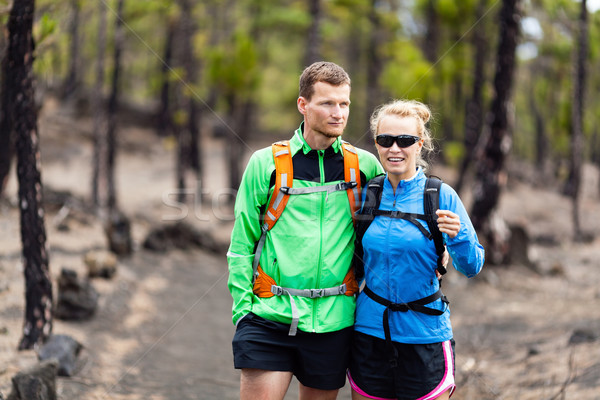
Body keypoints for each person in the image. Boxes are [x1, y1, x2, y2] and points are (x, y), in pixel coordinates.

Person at [227, 61, 384, 400]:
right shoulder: (265, 163)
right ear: (303, 105)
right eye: (327, 103)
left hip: (334, 322)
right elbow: (241, 245)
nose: (338, 113)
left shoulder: (365, 167)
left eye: (344, 104)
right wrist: (243, 311)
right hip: (269, 316)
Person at [348, 99, 485, 400]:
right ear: (376, 144)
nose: (394, 148)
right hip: (369, 332)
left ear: (419, 144)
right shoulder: (368, 194)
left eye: (405, 140)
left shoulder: (439, 195)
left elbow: (472, 266)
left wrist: (458, 236)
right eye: (386, 140)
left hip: (425, 334)